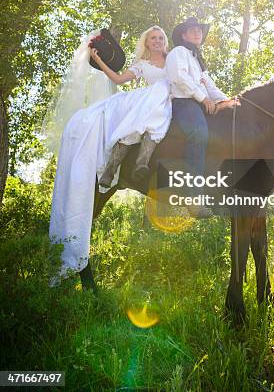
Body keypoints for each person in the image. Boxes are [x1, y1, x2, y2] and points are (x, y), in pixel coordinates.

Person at [49, 26, 171, 282]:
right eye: (153, 38)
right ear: (147, 43)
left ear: (165, 41)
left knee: (159, 109)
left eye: (161, 38)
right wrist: (99, 60)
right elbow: (118, 80)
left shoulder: (175, 59)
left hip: (166, 102)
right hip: (148, 100)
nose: (158, 41)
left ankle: (132, 158)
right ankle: (116, 163)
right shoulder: (142, 65)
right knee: (146, 112)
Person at [166, 17, 238, 216]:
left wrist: (231, 103)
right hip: (183, 103)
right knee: (198, 135)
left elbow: (211, 87)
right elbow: (179, 78)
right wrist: (203, 98)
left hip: (197, 102)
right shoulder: (178, 52)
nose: (198, 33)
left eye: (200, 30)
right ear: (183, 35)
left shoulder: (197, 60)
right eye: (192, 30)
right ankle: (192, 197)